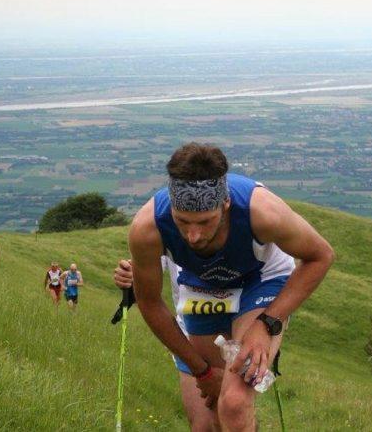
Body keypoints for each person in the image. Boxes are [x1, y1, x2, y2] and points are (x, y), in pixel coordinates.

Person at [127, 142, 334, 431]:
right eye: (182, 221)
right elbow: (149, 303)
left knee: (234, 402)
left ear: (225, 205)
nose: (193, 235)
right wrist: (202, 372)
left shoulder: (262, 212)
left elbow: (321, 256)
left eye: (205, 222)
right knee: (211, 417)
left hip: (260, 279)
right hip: (202, 285)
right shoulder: (147, 228)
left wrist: (267, 324)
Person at [114, 257, 218, 431]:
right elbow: (146, 272)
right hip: (188, 337)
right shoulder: (160, 238)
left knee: (234, 420)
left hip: (236, 336)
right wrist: (131, 277)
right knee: (203, 426)